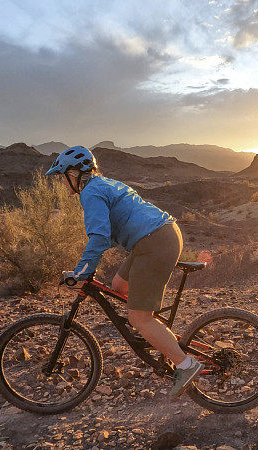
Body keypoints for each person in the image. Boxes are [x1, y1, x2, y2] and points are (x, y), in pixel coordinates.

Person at [45, 146, 202, 396]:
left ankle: (186, 364)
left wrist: (82, 272)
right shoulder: (103, 184)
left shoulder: (90, 192)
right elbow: (108, 233)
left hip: (154, 241)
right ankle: (166, 338)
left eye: (63, 176)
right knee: (119, 287)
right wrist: (85, 266)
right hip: (156, 236)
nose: (64, 184)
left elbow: (98, 236)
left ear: (74, 174)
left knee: (138, 318)